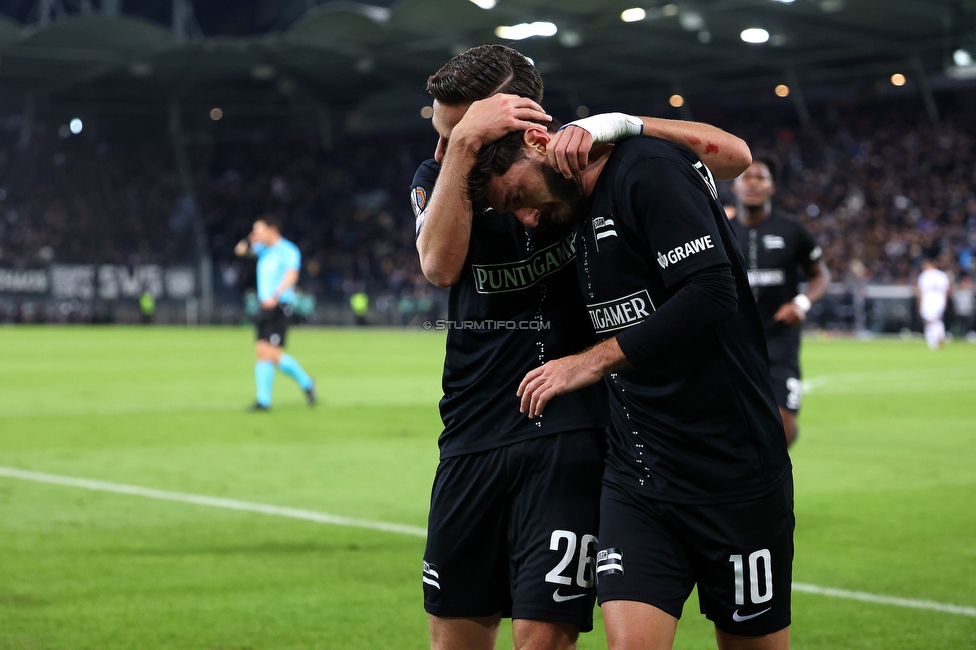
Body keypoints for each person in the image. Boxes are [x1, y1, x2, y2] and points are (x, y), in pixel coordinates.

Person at [414, 45, 753, 650]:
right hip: (471, 427)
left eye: (454, 130)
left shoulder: (578, 161)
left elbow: (734, 159)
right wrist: (464, 148)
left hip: (572, 427)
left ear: (511, 114)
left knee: (544, 637)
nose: (440, 148)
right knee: (454, 639)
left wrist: (624, 122)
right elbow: (439, 267)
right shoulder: (444, 178)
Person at [467, 123, 793, 650]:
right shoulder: (569, 208)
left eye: (518, 198)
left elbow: (712, 291)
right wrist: (456, 146)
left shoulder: (646, 169)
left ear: (536, 144)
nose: (527, 218)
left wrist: (592, 362)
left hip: (733, 471)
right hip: (638, 476)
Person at [729, 157, 831, 446]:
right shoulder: (721, 230)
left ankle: (771, 483)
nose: (753, 183)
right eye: (746, 177)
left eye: (760, 178)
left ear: (772, 187)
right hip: (732, 341)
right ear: (734, 186)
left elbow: (820, 274)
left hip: (779, 341)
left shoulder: (792, 230)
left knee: (783, 428)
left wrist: (801, 303)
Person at [234, 216, 316, 410]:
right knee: (263, 352)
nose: (257, 234)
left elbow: (292, 275)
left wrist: (276, 295)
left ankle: (304, 383)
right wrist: (249, 240)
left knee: (271, 353)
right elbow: (240, 251)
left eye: (259, 230)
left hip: (280, 306)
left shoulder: (287, 250)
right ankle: (265, 400)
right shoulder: (263, 250)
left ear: (272, 229)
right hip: (265, 306)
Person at [916, 257, 951, 351]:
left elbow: (920, 291)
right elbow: (947, 290)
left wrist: (919, 303)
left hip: (928, 300)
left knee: (929, 321)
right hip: (940, 300)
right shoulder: (942, 275)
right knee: (937, 320)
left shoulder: (924, 275)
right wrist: (945, 301)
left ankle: (933, 342)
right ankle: (941, 336)